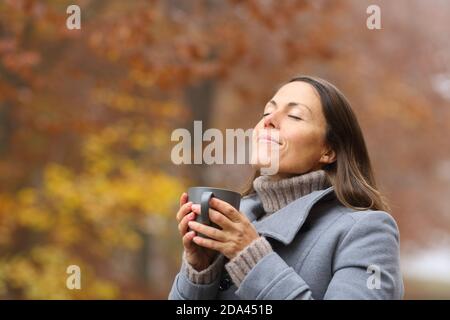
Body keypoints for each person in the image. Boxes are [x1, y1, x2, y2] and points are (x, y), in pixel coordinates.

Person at [169, 75, 404, 300]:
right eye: (267, 111)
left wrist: (251, 258)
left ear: (328, 151)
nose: (268, 120)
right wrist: (199, 270)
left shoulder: (368, 232)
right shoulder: (237, 221)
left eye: (294, 116)